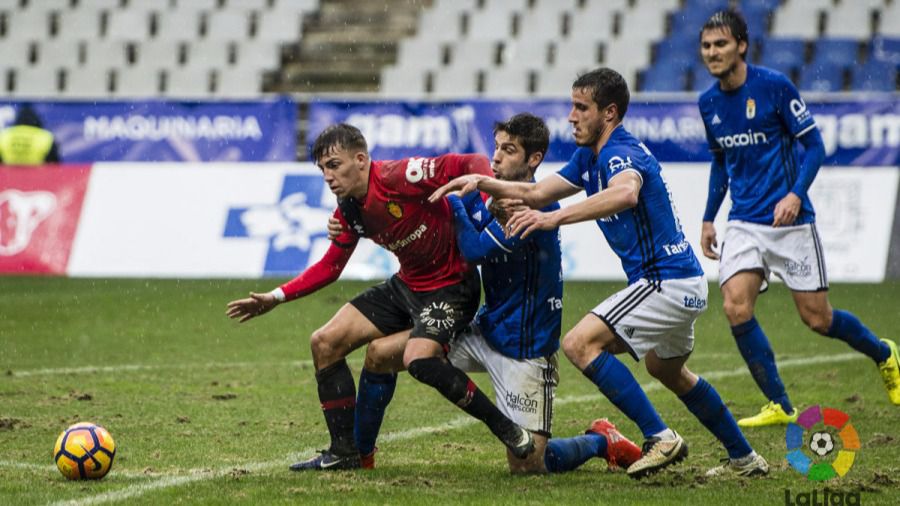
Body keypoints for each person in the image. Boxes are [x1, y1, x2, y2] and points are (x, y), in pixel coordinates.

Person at [432, 68, 769, 478]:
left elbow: (626, 193)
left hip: (664, 280)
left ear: (609, 113)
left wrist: (553, 219)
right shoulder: (588, 157)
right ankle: (744, 458)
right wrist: (482, 182)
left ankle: (659, 437)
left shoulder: (617, 153)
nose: (571, 116)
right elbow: (536, 192)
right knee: (667, 371)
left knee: (579, 344)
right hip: (683, 282)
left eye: (581, 107)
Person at [345, 113, 642, 474]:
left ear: (534, 159)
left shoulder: (532, 206)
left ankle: (601, 440)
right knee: (380, 354)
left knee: (529, 466)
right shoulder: (494, 196)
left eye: (509, 150)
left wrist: (453, 199)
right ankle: (359, 455)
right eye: (497, 147)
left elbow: (473, 249)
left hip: (525, 347)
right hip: (485, 329)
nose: (496, 157)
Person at [226, 123, 535, 471]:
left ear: (360, 160)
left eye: (334, 165)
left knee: (417, 359)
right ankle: (345, 453)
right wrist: (275, 297)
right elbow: (331, 266)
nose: (328, 177)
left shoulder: (400, 176)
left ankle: (505, 428)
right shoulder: (349, 209)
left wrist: (490, 199)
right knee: (325, 343)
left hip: (452, 288)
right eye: (323, 169)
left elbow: (470, 161)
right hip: (408, 285)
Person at [697, 9, 900, 428]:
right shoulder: (708, 103)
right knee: (735, 307)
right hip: (744, 222)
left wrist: (794, 194)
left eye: (721, 44)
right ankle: (780, 404)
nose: (712, 52)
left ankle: (884, 353)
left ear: (741, 46)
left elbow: (815, 146)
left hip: (791, 223)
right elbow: (721, 162)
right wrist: (708, 218)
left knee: (818, 319)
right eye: (706, 46)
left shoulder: (774, 86)